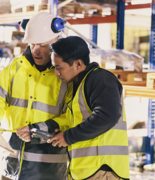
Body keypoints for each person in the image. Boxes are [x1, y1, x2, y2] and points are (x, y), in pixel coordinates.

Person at [0, 12, 71, 180]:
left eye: (42, 45)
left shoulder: (66, 75)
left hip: (47, 168)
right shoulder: (15, 68)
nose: (36, 51)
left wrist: (38, 130)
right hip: (11, 164)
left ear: (56, 42)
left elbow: (73, 116)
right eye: (32, 44)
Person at [48, 36, 129, 180]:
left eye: (59, 67)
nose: (56, 73)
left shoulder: (100, 78)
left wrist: (68, 136)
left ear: (78, 64)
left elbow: (107, 116)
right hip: (88, 171)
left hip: (103, 170)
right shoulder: (80, 84)